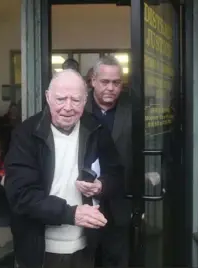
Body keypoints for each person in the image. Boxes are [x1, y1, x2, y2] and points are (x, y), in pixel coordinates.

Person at [4, 69, 124, 268]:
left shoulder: (96, 129)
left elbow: (117, 174)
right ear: (47, 97)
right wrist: (71, 213)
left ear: (85, 100)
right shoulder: (26, 134)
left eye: (76, 100)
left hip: (87, 245)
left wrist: (101, 186)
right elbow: (20, 194)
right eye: (61, 99)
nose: (68, 107)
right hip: (39, 249)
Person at [85, 55, 132, 267]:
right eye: (105, 82)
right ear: (93, 80)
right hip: (83, 200)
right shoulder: (76, 106)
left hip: (120, 200)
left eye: (116, 82)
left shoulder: (134, 109)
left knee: (116, 259)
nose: (111, 88)